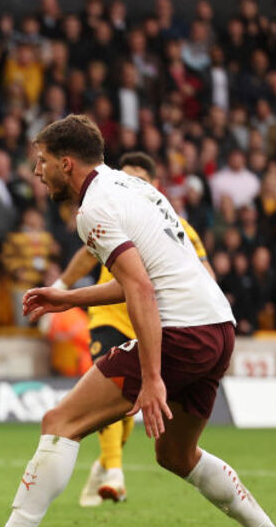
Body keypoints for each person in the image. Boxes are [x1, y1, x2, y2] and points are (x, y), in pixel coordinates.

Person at [0, 115, 276, 527]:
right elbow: (146, 278)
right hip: (217, 326)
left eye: (41, 163)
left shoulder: (93, 209)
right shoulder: (132, 187)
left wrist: (152, 379)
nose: (36, 173)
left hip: (181, 332)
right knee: (176, 452)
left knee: (60, 422)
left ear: (66, 164)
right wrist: (68, 297)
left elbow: (142, 290)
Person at [51, 151, 214, 507]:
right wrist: (63, 286)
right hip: (109, 317)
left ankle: (105, 465)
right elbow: (86, 254)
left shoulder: (180, 228)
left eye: (140, 178)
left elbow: (205, 276)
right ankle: (114, 471)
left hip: (155, 325)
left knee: (125, 405)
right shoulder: (109, 212)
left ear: (154, 184)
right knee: (105, 385)